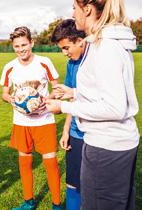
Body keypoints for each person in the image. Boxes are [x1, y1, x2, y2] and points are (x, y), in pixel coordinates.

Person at [46, 0, 139, 210]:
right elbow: (104, 91)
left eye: (74, 8)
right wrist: (74, 93)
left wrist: (64, 107)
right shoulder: (105, 43)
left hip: (106, 147)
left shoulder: (106, 47)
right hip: (113, 143)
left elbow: (114, 107)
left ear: (87, 9)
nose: (72, 14)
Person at [0, 26, 61, 210]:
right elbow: (4, 93)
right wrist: (11, 99)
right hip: (21, 121)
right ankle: (28, 201)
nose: (21, 49)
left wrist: (47, 99)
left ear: (32, 43)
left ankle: (57, 204)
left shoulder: (44, 62)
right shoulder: (9, 67)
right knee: (24, 160)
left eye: (24, 45)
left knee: (50, 161)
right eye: (17, 46)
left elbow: (56, 88)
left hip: (44, 120)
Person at [50, 19, 86, 210]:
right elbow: (71, 100)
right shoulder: (72, 64)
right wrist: (66, 131)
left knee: (91, 186)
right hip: (75, 132)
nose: (64, 53)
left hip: (95, 136)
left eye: (66, 47)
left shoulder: (93, 61)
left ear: (79, 39)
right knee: (72, 182)